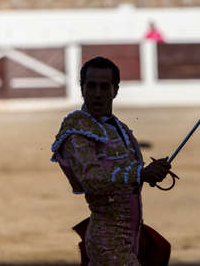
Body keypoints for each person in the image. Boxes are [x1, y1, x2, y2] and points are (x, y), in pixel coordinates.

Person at [51, 56, 172, 265]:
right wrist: (140, 174)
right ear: (82, 88)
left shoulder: (119, 127)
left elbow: (125, 175)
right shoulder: (77, 130)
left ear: (115, 90)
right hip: (108, 242)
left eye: (104, 87)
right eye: (91, 86)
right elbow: (91, 178)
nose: (97, 94)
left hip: (131, 236)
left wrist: (152, 171)